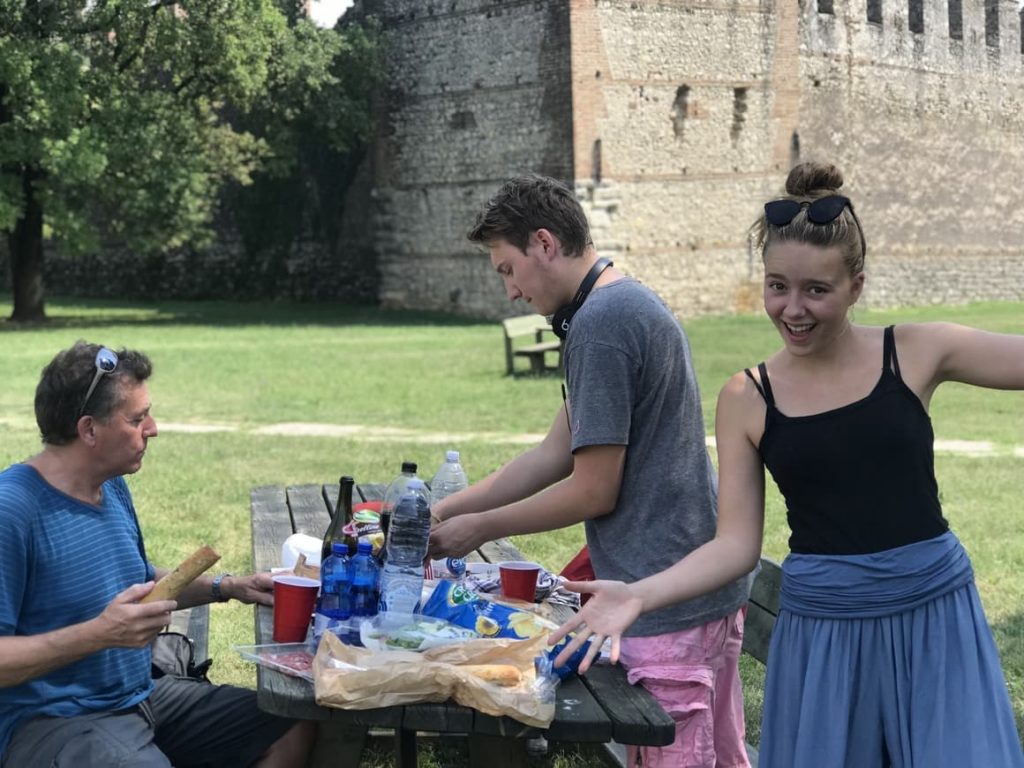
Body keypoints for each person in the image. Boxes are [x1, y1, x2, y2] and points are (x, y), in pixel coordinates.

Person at [549, 161, 1024, 767]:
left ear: (856, 285)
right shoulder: (748, 397)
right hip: (824, 630)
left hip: (933, 613)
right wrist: (638, 596)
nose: (793, 309)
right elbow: (735, 546)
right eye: (778, 286)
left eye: (816, 290)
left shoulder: (916, 351)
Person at [427, 174, 754, 767]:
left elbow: (593, 490)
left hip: (665, 595)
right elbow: (553, 454)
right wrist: (448, 510)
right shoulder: (611, 303)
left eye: (507, 269)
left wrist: (478, 531)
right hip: (686, 584)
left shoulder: (602, 325)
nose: (511, 293)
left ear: (545, 244)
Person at [0, 341, 315, 767]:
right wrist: (99, 633)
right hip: (53, 720)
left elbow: (133, 578)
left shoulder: (108, 484)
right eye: (136, 418)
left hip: (141, 697)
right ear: (89, 430)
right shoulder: (13, 510)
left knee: (292, 719)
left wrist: (227, 587)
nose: (153, 428)